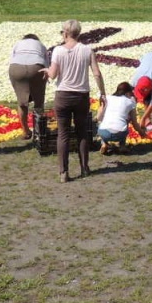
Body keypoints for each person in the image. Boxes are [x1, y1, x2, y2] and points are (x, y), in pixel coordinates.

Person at [42, 19, 107, 182]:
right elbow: (97, 74)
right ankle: (85, 168)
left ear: (65, 33)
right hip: (81, 96)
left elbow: (53, 74)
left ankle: (63, 172)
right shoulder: (87, 50)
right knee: (82, 133)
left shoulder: (58, 50)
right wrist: (102, 93)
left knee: (63, 134)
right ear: (78, 33)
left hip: (63, 95)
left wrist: (46, 70)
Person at [8, 34, 48, 140]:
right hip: (36, 67)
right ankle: (39, 132)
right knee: (39, 102)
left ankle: (25, 130)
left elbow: (12, 59)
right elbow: (47, 64)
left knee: (22, 103)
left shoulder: (18, 44)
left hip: (16, 69)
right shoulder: (41, 45)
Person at [95, 82, 146, 155]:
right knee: (126, 120)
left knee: (103, 121)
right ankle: (122, 146)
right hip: (119, 134)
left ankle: (104, 143)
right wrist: (142, 133)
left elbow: (98, 117)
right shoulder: (130, 102)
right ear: (127, 93)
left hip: (103, 132)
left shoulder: (108, 98)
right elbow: (134, 123)